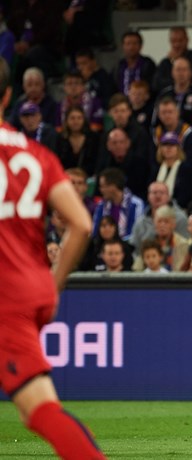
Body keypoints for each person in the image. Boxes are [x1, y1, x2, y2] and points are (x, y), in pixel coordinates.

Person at [0, 56, 105, 459]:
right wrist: (55, 282)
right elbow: (80, 223)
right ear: (9, 95)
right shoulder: (38, 155)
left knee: (40, 409)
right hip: (31, 291)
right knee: (42, 406)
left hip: (5, 297)